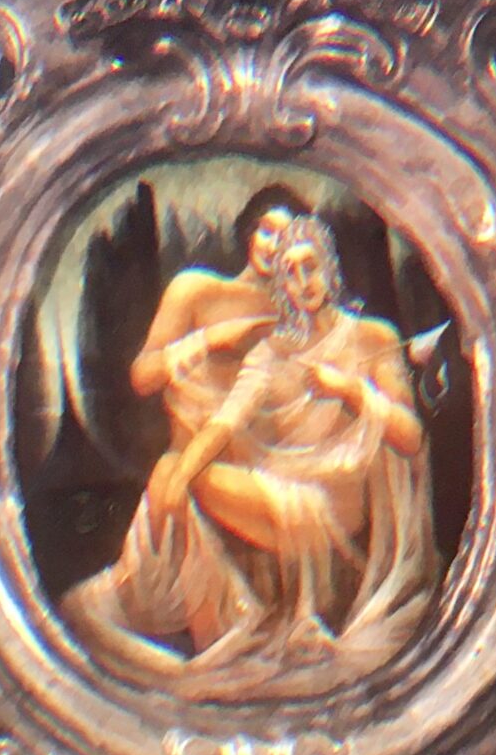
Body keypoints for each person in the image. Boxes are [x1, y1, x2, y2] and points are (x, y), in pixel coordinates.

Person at [61, 214, 439, 699]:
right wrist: (178, 475)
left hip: (335, 503)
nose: (304, 282)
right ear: (280, 286)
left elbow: (411, 438)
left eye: (311, 267)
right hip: (281, 487)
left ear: (330, 268)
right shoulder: (271, 352)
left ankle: (228, 640)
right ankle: (218, 640)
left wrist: (351, 391)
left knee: (186, 478)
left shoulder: (373, 337)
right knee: (180, 473)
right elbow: (226, 422)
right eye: (291, 273)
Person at [128, 184, 310, 448]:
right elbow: (142, 378)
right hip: (191, 460)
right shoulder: (196, 289)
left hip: (270, 462)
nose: (273, 247)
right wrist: (208, 340)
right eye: (267, 231)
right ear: (250, 232)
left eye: (287, 239)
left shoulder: (300, 313)